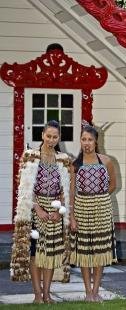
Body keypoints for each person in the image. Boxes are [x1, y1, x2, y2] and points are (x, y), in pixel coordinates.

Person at [10, 120, 71, 304]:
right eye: (48, 136)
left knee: (50, 253)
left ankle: (47, 293)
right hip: (34, 209)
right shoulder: (30, 156)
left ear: (59, 138)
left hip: (54, 210)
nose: (51, 140)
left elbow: (65, 189)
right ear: (42, 135)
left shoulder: (63, 159)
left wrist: (59, 211)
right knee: (36, 253)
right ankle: (37, 294)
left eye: (55, 137)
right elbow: (24, 187)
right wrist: (37, 208)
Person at [69, 124, 117, 302]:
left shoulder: (106, 161)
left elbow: (112, 185)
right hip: (81, 209)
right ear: (80, 141)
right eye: (83, 139)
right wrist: (72, 217)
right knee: (84, 253)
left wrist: (99, 198)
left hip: (102, 210)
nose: (86, 143)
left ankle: (96, 292)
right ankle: (88, 291)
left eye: (90, 139)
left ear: (96, 142)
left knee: (99, 251)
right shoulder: (75, 165)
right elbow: (71, 192)